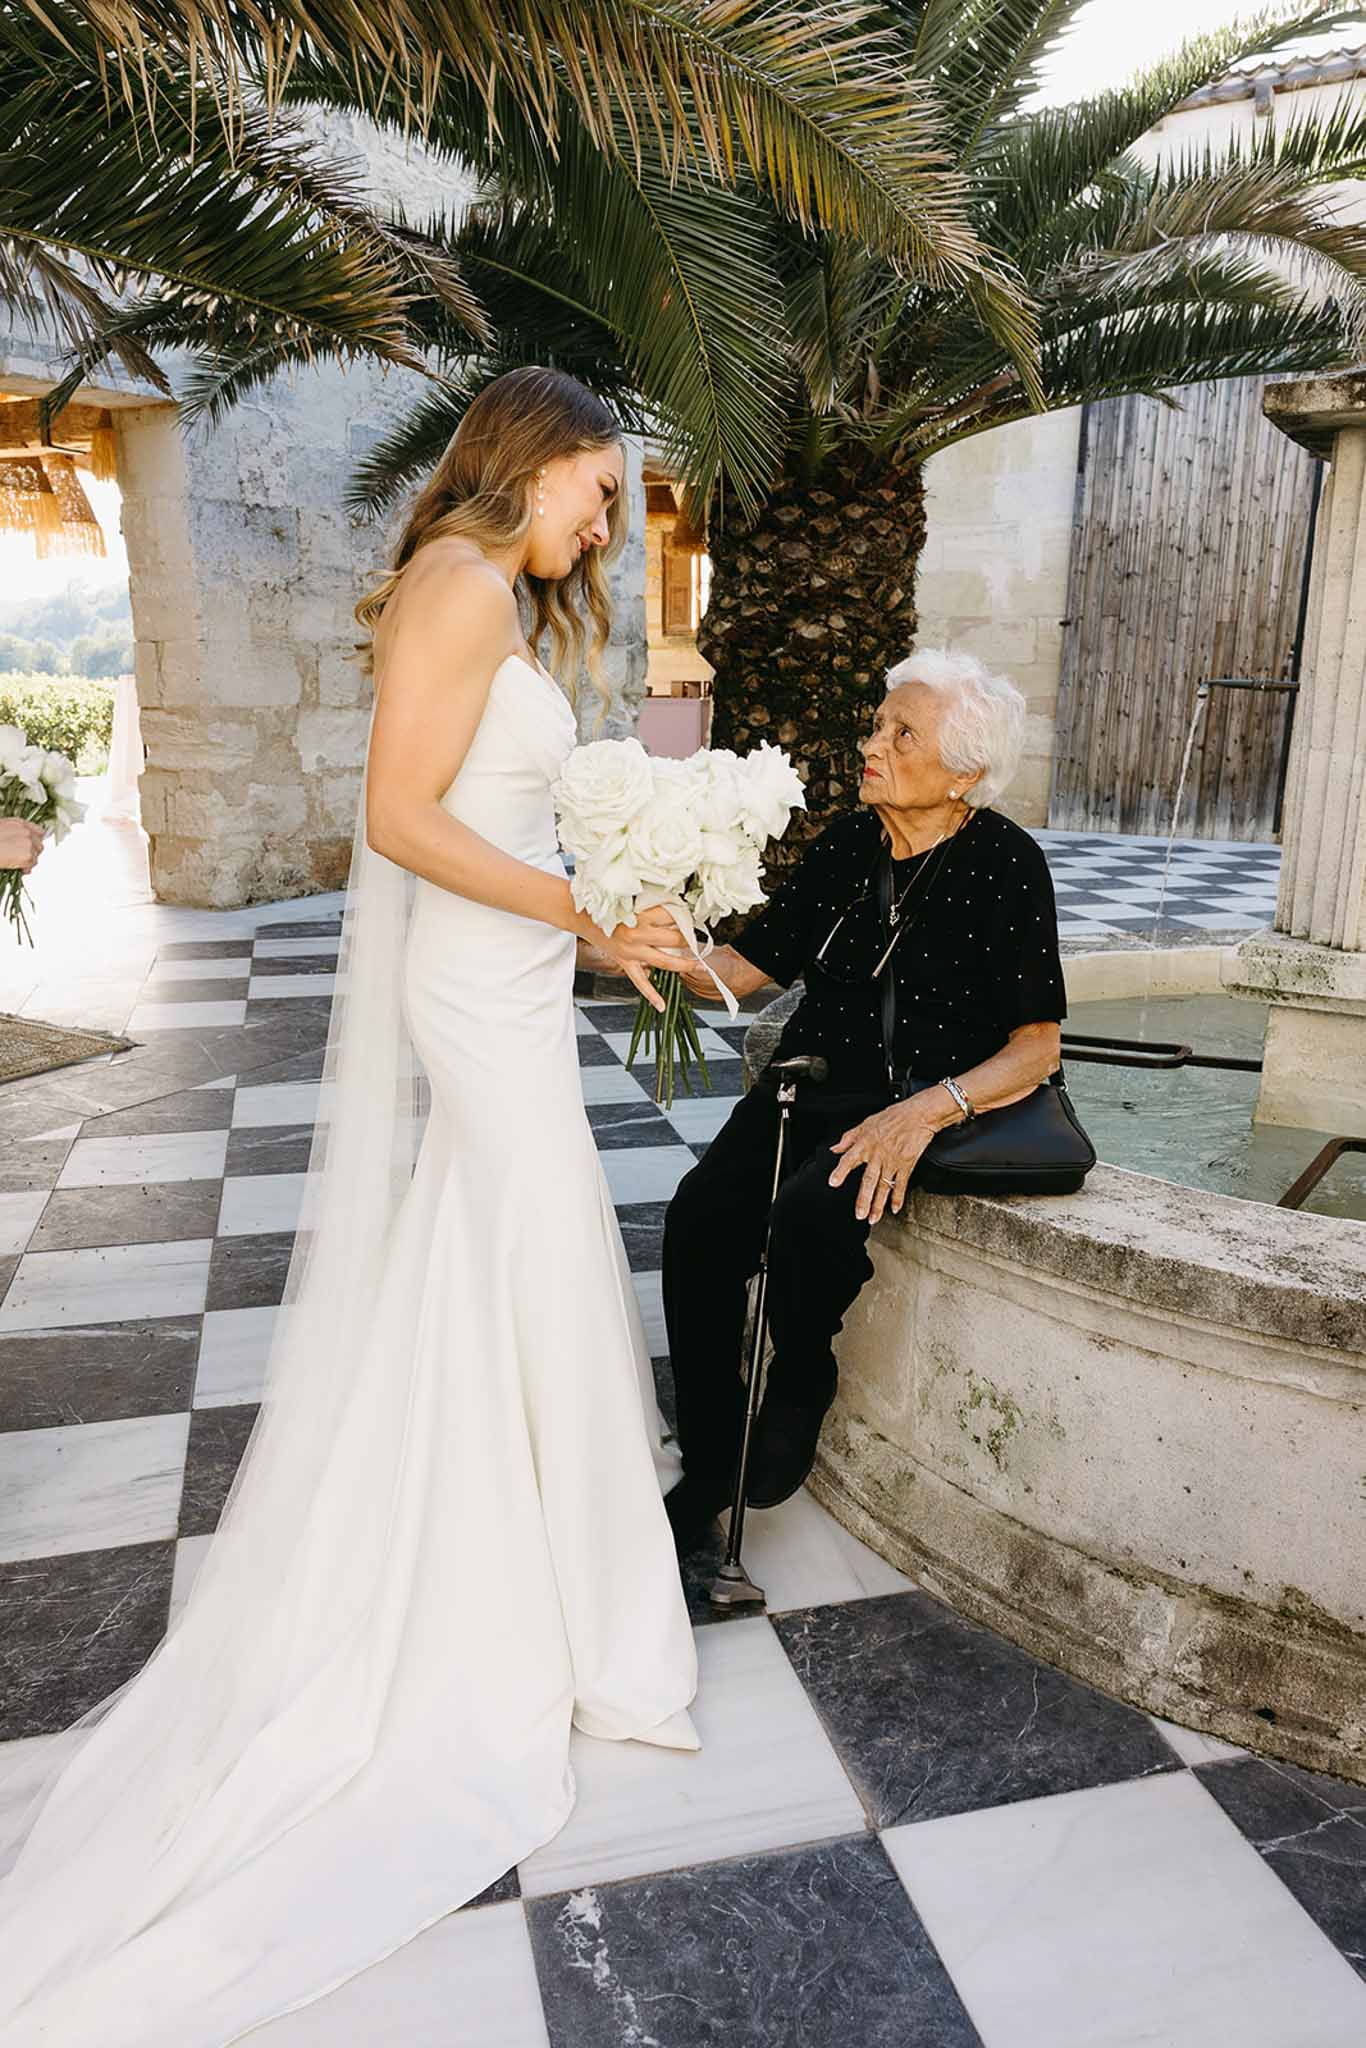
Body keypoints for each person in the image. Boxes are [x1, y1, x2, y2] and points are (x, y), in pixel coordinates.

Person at [0, 367, 706, 2046]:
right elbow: (394, 818)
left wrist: (592, 893)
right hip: (487, 977)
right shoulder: (463, 585)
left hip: (513, 970)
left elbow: (472, 796)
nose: (606, 522)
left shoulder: (493, 588)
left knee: (511, 1248)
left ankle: (538, 1567)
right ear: (525, 467)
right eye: (595, 491)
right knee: (537, 1240)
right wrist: (586, 908)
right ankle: (558, 1606)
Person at [659, 649, 1067, 1557]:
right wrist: (649, 932)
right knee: (698, 1221)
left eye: (900, 732)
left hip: (915, 1099)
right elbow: (743, 972)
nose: (871, 743)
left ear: (963, 771)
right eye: (879, 725)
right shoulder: (849, 844)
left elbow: (1038, 1048)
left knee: (811, 1209)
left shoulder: (1006, 864)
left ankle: (801, 1373)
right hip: (810, 1076)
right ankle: (713, 1459)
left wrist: (924, 1113)